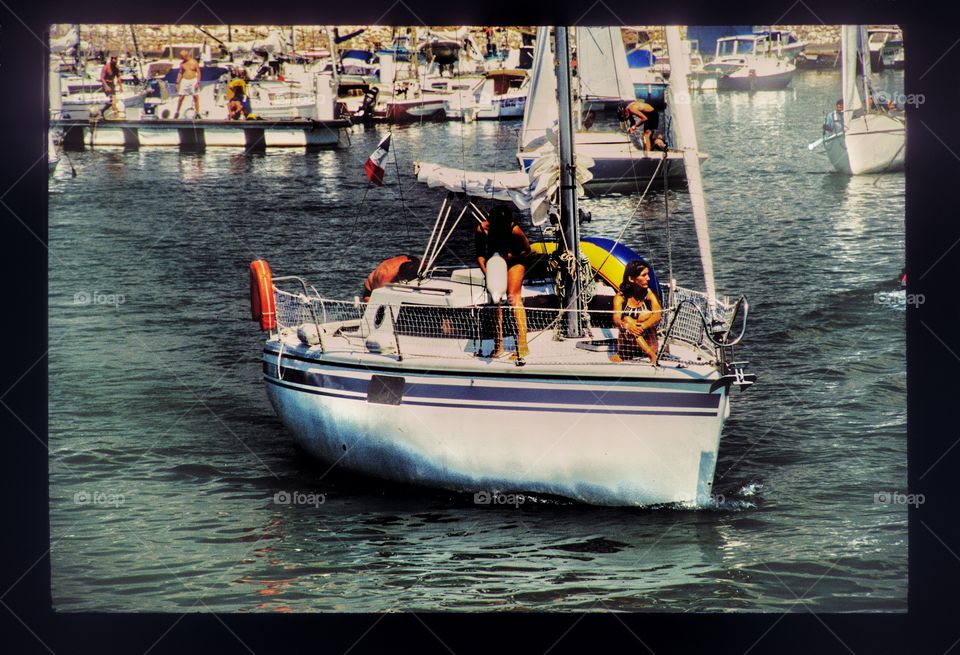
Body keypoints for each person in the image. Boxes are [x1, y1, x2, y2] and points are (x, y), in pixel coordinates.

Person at [475, 205, 532, 359]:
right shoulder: (482, 229)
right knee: (495, 302)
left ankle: (522, 345)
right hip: (494, 261)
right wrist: (487, 272)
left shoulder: (514, 229)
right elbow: (479, 254)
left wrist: (510, 257)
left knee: (513, 297)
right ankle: (498, 346)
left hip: (515, 260)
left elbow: (527, 250)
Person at [611, 259, 662, 363]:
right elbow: (616, 319)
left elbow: (658, 316)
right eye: (644, 275)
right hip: (627, 348)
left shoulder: (649, 294)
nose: (648, 278)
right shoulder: (620, 297)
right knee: (627, 319)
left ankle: (651, 355)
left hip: (650, 345)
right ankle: (651, 356)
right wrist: (628, 326)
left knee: (645, 315)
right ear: (631, 279)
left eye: (647, 275)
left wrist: (640, 326)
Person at [174, 49, 201, 119]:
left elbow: (198, 72)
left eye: (182, 56)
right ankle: (177, 111)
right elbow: (180, 73)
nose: (181, 58)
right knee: (181, 97)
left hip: (193, 80)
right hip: (185, 80)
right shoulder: (182, 64)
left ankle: (197, 112)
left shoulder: (194, 62)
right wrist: (177, 83)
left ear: (186, 56)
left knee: (195, 97)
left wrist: (198, 82)